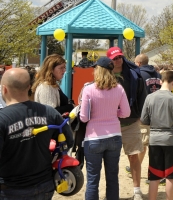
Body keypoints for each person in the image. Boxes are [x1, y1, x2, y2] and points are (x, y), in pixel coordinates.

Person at [0, 68, 74, 199]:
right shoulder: (49, 112)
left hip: (10, 190)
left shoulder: (3, 119)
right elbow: (68, 141)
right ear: (29, 87)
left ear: (4, 89)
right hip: (44, 186)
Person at [79, 57, 131, 200]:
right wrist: (115, 113)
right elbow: (126, 113)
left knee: (93, 180)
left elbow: (83, 117)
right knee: (113, 177)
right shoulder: (119, 88)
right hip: (114, 135)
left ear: (98, 70)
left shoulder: (88, 89)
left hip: (94, 137)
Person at [107, 46, 147, 200]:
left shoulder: (134, 74)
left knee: (134, 156)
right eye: (114, 58)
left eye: (119, 57)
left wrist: (139, 114)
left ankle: (137, 190)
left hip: (130, 122)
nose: (118, 60)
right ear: (110, 60)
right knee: (111, 160)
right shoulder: (105, 74)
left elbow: (142, 94)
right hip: (110, 123)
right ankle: (113, 192)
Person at [140, 70, 173, 200]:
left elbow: (143, 119)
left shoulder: (150, 97)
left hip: (154, 138)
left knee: (154, 175)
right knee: (171, 176)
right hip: (171, 139)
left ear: (161, 81)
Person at [134, 53, 163, 184]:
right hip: (159, 114)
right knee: (155, 144)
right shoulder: (158, 75)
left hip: (144, 114)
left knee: (142, 143)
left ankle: (138, 167)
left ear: (139, 63)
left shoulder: (139, 74)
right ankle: (157, 171)